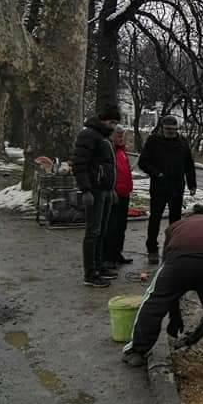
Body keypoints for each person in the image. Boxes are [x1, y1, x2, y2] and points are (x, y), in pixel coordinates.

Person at [122, 205, 203, 394]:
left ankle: (136, 351)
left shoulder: (175, 227)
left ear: (189, 216)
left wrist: (174, 315)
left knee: (153, 301)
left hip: (178, 262)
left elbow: (167, 270)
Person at [73, 105, 122, 287]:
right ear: (103, 119)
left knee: (102, 230)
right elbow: (80, 163)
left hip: (105, 189)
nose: (114, 126)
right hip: (94, 189)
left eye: (116, 123)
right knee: (93, 231)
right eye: (112, 122)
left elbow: (109, 166)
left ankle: (99, 265)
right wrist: (85, 189)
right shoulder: (89, 135)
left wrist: (112, 189)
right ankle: (90, 272)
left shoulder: (103, 137)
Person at [138, 115, 197, 264]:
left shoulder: (182, 142)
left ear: (177, 129)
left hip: (177, 187)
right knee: (155, 218)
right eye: (167, 129)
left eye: (173, 130)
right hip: (159, 186)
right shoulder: (153, 141)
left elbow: (189, 165)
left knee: (175, 220)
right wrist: (157, 173)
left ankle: (172, 248)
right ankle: (152, 248)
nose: (170, 132)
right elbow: (143, 162)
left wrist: (192, 184)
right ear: (162, 128)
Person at [103, 125, 134, 269]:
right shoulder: (109, 150)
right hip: (114, 193)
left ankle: (117, 253)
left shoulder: (122, 151)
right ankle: (108, 257)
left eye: (122, 135)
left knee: (121, 226)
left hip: (124, 192)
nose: (121, 138)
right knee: (112, 226)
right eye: (118, 135)